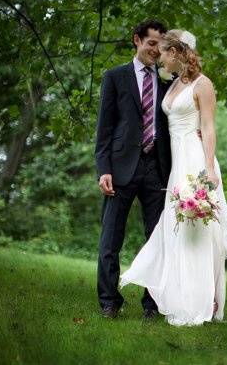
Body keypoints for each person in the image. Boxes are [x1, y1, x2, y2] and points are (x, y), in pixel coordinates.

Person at [119, 29, 227, 326]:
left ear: (175, 53)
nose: (158, 58)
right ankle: (181, 297)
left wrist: (209, 168)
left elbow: (209, 128)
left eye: (162, 53)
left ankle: (203, 301)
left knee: (197, 230)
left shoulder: (203, 84)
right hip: (176, 165)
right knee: (177, 229)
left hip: (196, 161)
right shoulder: (171, 84)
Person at [94, 20, 172, 320]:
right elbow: (105, 128)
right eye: (152, 43)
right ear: (137, 40)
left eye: (161, 45)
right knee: (111, 239)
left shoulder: (167, 82)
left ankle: (152, 305)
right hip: (120, 169)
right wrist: (104, 169)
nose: (156, 50)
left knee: (158, 241)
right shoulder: (115, 77)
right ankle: (109, 302)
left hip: (158, 171)